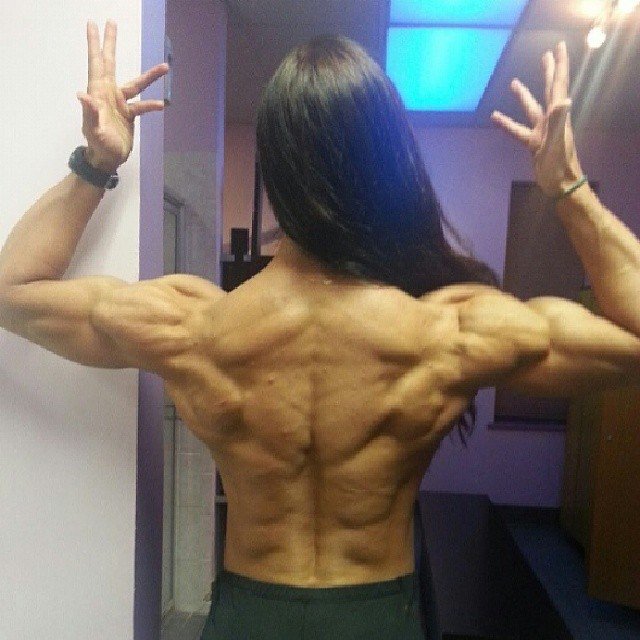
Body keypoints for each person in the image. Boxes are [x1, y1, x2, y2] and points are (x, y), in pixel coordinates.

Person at [1, 20, 639, 640]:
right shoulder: (449, 332)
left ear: (275, 168)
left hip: (248, 620)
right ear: (385, 166)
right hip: (376, 621)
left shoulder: (191, 326)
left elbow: (13, 291)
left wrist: (96, 164)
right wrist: (568, 186)